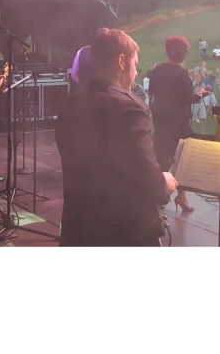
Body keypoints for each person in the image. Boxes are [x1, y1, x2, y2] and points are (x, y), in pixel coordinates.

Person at [55, 28, 177, 245]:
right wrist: (165, 182)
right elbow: (149, 181)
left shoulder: (69, 107)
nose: (136, 73)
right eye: (135, 64)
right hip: (124, 234)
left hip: (78, 233)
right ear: (122, 61)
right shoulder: (130, 109)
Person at [148, 36, 206, 213]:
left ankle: (157, 196)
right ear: (183, 54)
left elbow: (152, 91)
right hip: (177, 122)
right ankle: (181, 196)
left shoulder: (157, 70)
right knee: (181, 160)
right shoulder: (181, 73)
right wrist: (201, 94)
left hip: (160, 121)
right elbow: (188, 98)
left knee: (160, 157)